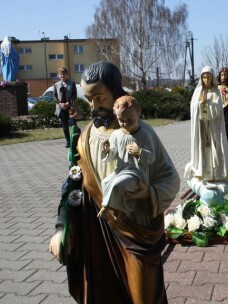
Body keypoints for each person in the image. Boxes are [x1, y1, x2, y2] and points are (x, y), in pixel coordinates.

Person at [48, 61, 180, 304]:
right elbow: (73, 185)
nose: (94, 106)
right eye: (88, 99)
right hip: (95, 231)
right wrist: (61, 227)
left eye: (99, 98)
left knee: (144, 295)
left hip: (135, 230)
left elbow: (170, 178)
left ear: (116, 92)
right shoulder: (85, 138)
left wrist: (147, 193)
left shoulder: (143, 134)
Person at [98, 96, 155, 226]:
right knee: (106, 181)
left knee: (118, 184)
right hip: (121, 170)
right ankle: (118, 209)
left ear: (138, 115)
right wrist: (107, 150)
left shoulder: (144, 135)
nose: (125, 123)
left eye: (130, 119)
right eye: (121, 120)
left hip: (137, 174)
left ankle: (106, 207)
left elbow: (152, 157)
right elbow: (112, 155)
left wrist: (139, 152)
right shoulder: (116, 135)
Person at [184, 66, 228, 206]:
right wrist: (200, 105)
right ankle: (202, 173)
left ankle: (215, 174)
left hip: (213, 129)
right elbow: (193, 108)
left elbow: (217, 110)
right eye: (204, 77)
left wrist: (206, 105)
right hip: (201, 129)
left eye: (208, 77)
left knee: (214, 151)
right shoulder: (197, 91)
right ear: (201, 78)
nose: (206, 79)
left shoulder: (216, 92)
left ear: (213, 78)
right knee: (203, 151)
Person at [53, 67, 78, 148]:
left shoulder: (72, 83)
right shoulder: (56, 85)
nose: (62, 76)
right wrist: (60, 104)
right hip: (61, 108)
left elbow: (74, 95)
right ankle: (68, 141)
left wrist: (68, 103)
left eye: (64, 74)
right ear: (58, 75)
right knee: (65, 126)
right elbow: (54, 96)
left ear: (67, 75)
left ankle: (76, 141)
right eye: (60, 74)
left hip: (70, 107)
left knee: (73, 125)